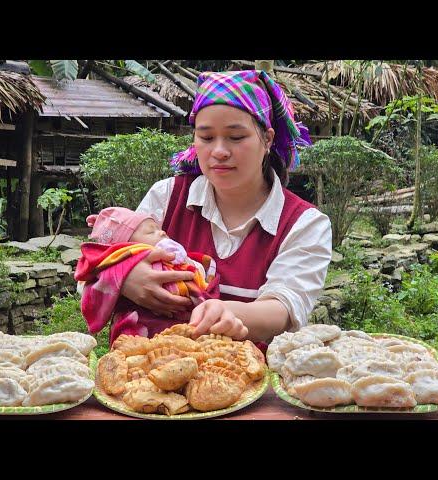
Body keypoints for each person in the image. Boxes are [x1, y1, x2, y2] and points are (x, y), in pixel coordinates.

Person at [121, 70, 332, 345]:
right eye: (206, 138)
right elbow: (95, 267)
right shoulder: (167, 197)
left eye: (236, 137)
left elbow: (283, 308)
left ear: (267, 139)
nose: (219, 151)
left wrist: (227, 311)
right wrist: (124, 278)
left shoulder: (304, 224)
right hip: (146, 377)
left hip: (250, 380)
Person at [74, 206, 220, 344]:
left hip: (184, 332)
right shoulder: (121, 260)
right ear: (127, 246)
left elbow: (201, 279)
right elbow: (89, 283)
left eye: (160, 229)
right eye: (151, 232)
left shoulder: (180, 260)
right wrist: (123, 274)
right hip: (137, 334)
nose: (162, 232)